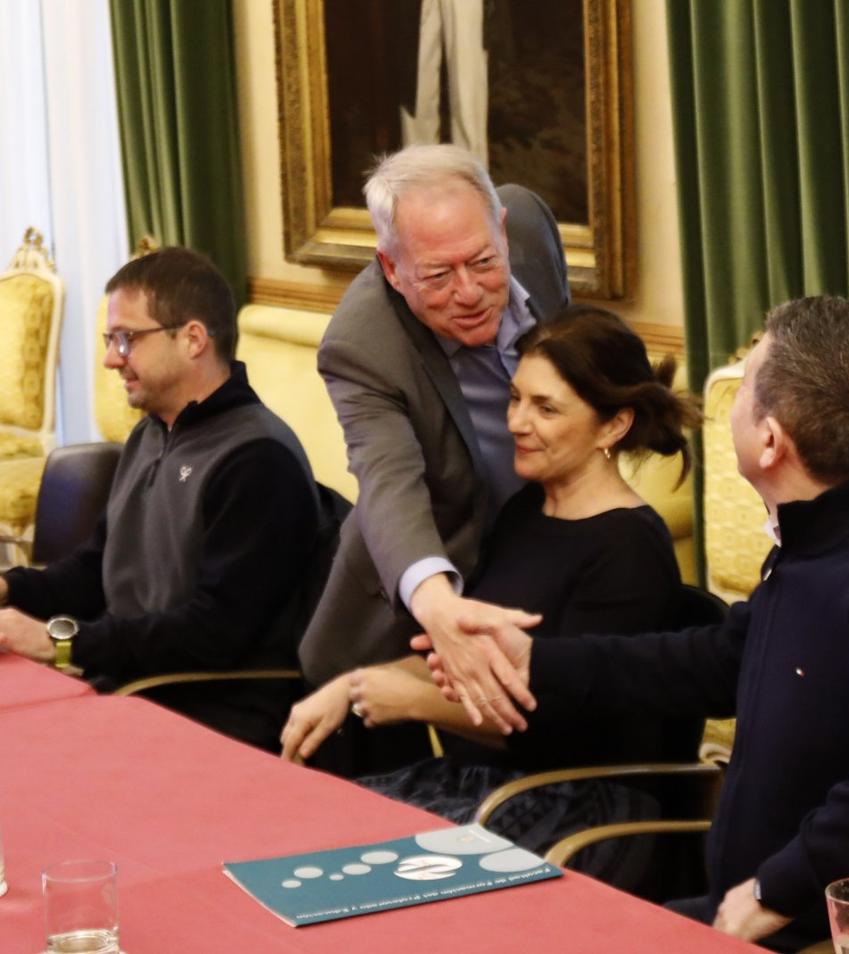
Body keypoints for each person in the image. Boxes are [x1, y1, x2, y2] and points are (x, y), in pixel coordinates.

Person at [425, 296, 849, 950]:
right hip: (752, 919)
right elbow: (719, 661)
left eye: (743, 392)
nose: (727, 407)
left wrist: (781, 885)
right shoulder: (832, 534)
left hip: (839, 936)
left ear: (770, 439)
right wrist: (534, 660)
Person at [282, 308, 700, 864]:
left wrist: (414, 703)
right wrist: (357, 683)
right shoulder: (526, 509)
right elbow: (464, 654)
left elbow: (562, 728)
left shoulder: (630, 548)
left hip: (577, 804)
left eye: (545, 408)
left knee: (340, 863)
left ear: (613, 426)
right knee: (300, 833)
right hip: (491, 784)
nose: (517, 423)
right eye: (515, 399)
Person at [298, 143, 570, 735]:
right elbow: (388, 482)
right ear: (393, 269)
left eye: (482, 262)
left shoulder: (527, 224)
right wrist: (437, 604)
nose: (470, 292)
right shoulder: (362, 344)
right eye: (439, 275)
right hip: (402, 630)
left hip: (533, 575)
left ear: (500, 229)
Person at [0, 247, 320, 749]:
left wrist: (60, 643)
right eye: (110, 340)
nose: (109, 360)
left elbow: (213, 635)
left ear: (192, 339)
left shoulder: (258, 460)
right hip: (129, 682)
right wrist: (8, 590)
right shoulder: (151, 434)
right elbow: (95, 572)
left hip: (206, 710)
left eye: (125, 339)